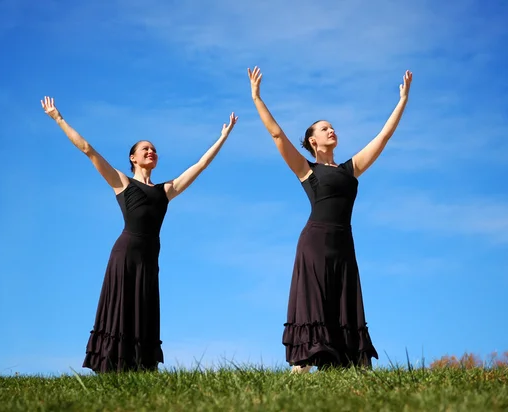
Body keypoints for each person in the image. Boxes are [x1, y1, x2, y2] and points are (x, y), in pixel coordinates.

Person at [40, 96, 238, 373]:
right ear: (133, 157)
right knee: (121, 307)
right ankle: (112, 364)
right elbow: (88, 150)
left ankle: (143, 366)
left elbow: (200, 165)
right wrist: (58, 118)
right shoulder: (122, 183)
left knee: (144, 308)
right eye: (146, 149)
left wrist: (223, 137)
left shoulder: (165, 191)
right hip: (126, 253)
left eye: (154, 150)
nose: (151, 152)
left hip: (149, 257)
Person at [247, 67, 412, 373]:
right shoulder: (307, 170)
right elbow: (276, 134)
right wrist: (257, 98)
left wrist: (402, 100)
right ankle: (302, 366)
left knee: (345, 300)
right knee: (315, 303)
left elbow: (384, 136)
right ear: (312, 141)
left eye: (332, 127)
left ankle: (356, 366)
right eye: (323, 129)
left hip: (344, 243)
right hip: (315, 243)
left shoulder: (350, 168)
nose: (331, 130)